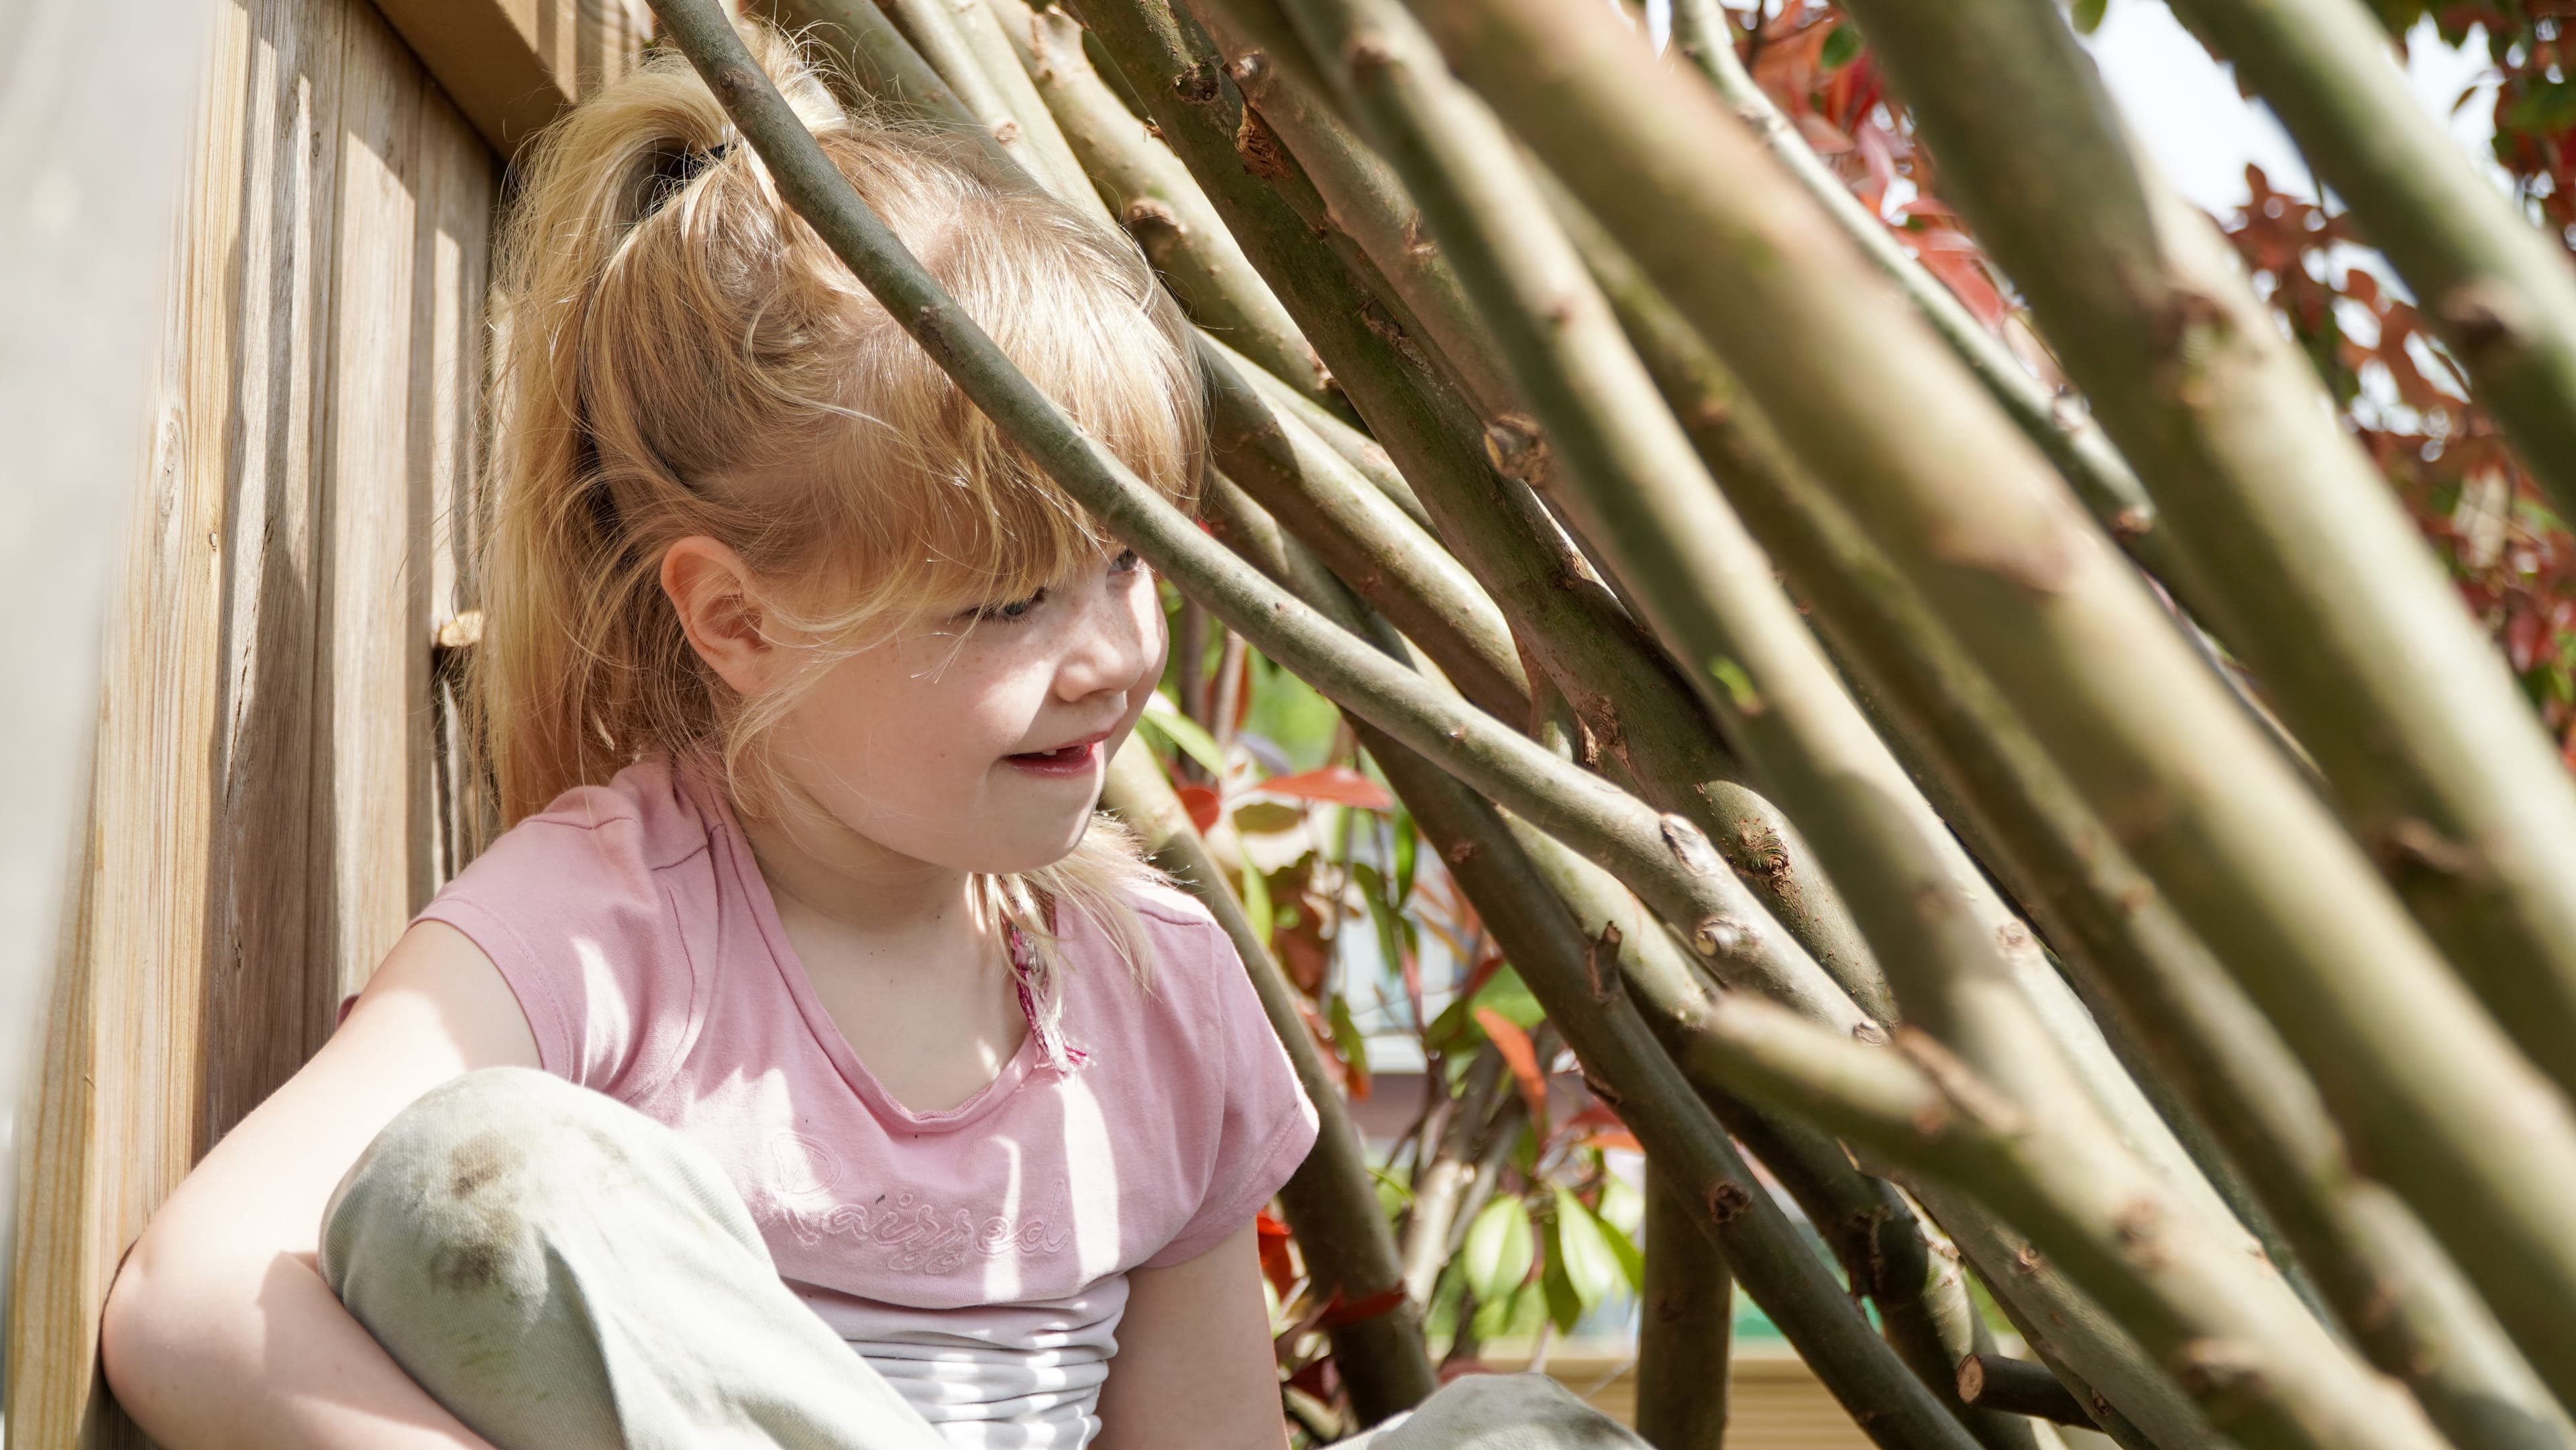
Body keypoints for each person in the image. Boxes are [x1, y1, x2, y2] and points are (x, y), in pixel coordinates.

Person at [98, 22, 1649, 1450]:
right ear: (740, 621)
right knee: (481, 1173)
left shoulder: (1161, 990)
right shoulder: (607, 923)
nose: (1112, 655)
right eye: (1002, 608)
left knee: (1520, 1434)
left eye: (1127, 563)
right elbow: (194, 1300)